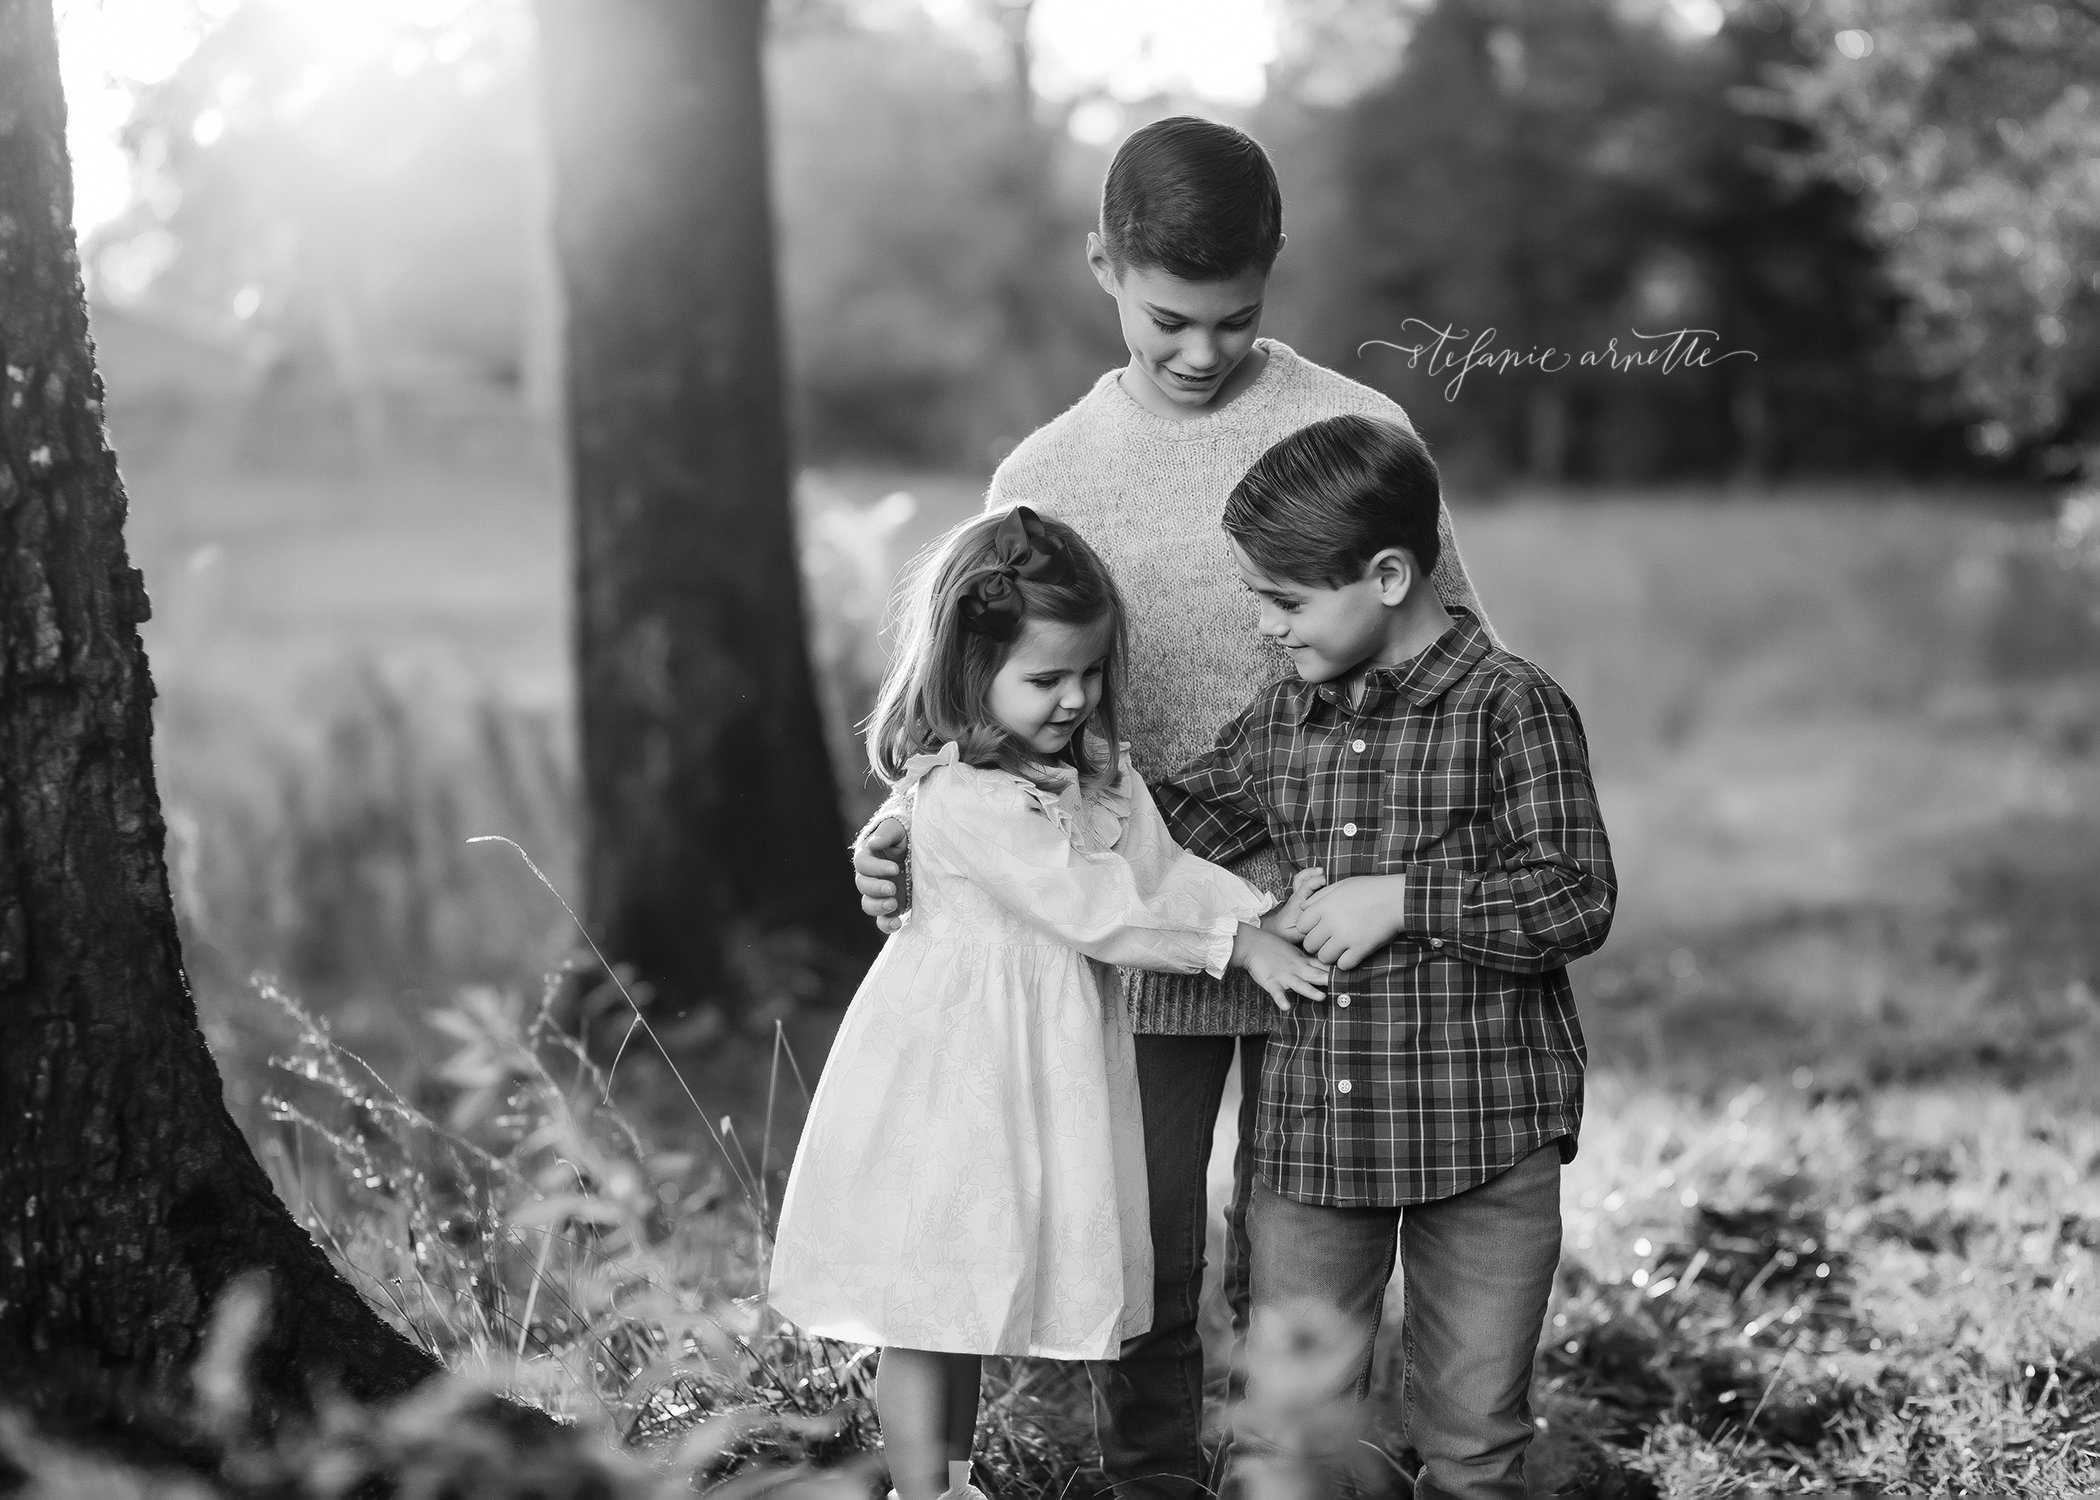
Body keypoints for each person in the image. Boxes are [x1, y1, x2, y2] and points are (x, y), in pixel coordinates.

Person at [853, 116, 1493, 1498]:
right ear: (1101, 265)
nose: (1202, 352)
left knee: (1315, 1229)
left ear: (1274, 271)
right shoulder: (1048, 477)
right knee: (1138, 1236)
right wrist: (906, 832)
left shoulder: (1357, 429)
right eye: (1167, 321)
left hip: (1338, 912)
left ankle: (1307, 1464)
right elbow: (989, 714)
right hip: (1141, 904)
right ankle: (1149, 1478)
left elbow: (1453, 655)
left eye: (1235, 318)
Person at [768, 505, 1330, 1500]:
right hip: (957, 1066)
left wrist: (1251, 917)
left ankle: (952, 1479)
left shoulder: (1076, 778)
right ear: (965, 670)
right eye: (1047, 679)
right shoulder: (967, 800)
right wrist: (1227, 943)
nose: (1076, 698)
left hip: (1025, 1062)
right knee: (927, 1305)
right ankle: (921, 1490)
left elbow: (1157, 867)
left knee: (968, 1290)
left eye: (1090, 673)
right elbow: (1096, 906)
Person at [1154, 414, 1617, 1500]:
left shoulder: (1513, 708)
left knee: (1473, 1443)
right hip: (1322, 1143)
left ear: (1391, 574)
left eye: (1285, 601)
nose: (1264, 627)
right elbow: (1161, 831)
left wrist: (1405, 900)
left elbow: (1577, 896)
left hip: (1488, 1131)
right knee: (1289, 1435)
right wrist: (975, 795)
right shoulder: (1281, 724)